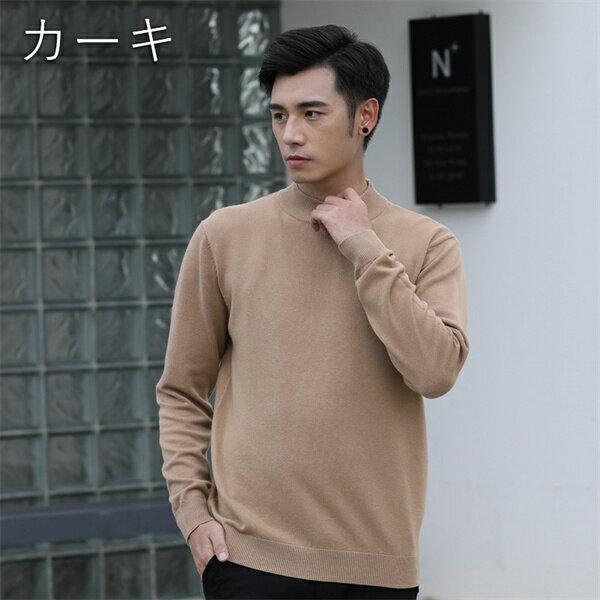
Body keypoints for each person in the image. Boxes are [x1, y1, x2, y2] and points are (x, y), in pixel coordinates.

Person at [156, 24, 470, 600]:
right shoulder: (225, 235)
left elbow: (435, 372)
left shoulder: (426, 242)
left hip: (375, 568)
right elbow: (181, 388)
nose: (290, 134)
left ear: (365, 116)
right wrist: (193, 512)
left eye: (312, 113)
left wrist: (363, 247)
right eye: (279, 115)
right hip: (249, 559)